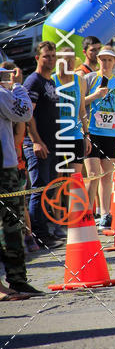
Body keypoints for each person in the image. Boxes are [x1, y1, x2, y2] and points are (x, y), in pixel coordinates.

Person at [0, 64, 41, 298]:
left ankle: (17, 280)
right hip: (4, 166)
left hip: (7, 164)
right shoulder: (3, 93)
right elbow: (24, 112)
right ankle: (13, 281)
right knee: (10, 224)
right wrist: (17, 85)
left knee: (13, 223)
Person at [22, 40, 61, 249]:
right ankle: (39, 236)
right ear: (38, 57)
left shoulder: (50, 81)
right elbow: (28, 114)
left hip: (52, 144)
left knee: (48, 190)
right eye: (47, 56)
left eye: (53, 56)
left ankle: (46, 232)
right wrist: (36, 141)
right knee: (38, 190)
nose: (51, 59)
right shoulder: (33, 81)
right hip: (37, 145)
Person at [85, 46, 115, 228]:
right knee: (93, 175)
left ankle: (105, 213)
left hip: (110, 133)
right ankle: (88, 213)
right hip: (91, 132)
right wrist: (95, 95)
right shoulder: (90, 78)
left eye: (109, 60)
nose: (106, 63)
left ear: (114, 62)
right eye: (103, 59)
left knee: (107, 175)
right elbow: (79, 102)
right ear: (97, 60)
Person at [53, 47, 91, 176]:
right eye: (65, 60)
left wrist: (86, 135)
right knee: (57, 179)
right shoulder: (52, 80)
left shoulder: (80, 81)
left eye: (71, 60)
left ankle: (74, 197)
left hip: (74, 133)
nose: (69, 63)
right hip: (56, 134)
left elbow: (82, 109)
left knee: (75, 178)